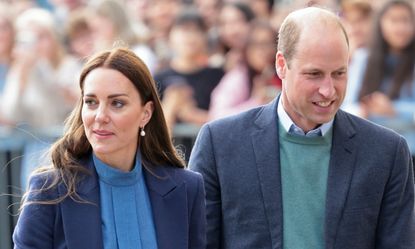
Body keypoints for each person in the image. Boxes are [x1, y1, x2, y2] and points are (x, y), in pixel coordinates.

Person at [189, 6, 415, 249]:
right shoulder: (220, 143)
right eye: (314, 74)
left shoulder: (387, 152)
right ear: (281, 65)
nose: (328, 90)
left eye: (339, 73)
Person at [13, 47, 206, 249]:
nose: (100, 116)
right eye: (91, 102)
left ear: (146, 113)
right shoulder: (49, 191)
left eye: (117, 103)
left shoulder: (186, 188)